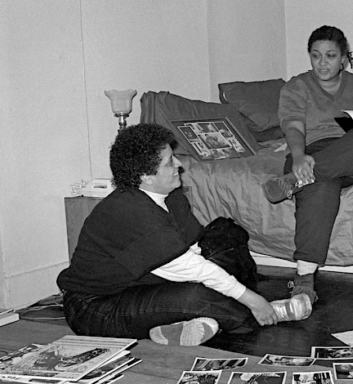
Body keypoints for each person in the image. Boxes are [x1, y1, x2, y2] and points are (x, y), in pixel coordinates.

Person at [57, 123, 280, 347]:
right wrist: (252, 299)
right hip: (95, 308)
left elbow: (195, 250)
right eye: (170, 162)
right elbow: (191, 267)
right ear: (146, 176)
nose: (179, 165)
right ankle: (264, 313)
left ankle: (192, 324)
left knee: (225, 243)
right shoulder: (129, 212)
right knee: (197, 297)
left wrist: (224, 280)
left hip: (140, 286)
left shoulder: (170, 194)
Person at [262, 25, 353, 304]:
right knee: (320, 188)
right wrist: (298, 158)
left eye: (330, 56)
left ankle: (294, 181)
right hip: (312, 152)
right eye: (316, 55)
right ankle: (304, 280)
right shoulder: (297, 86)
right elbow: (293, 125)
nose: (322, 63)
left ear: (343, 58)